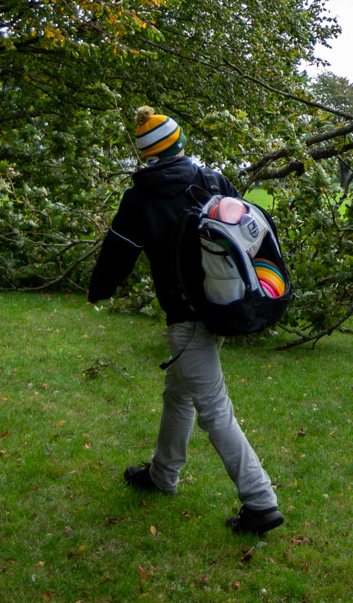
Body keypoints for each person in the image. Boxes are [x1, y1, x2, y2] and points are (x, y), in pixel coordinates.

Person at [86, 107, 285, 535]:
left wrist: (97, 289)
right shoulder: (213, 181)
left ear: (145, 155)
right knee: (178, 393)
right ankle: (162, 474)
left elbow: (118, 253)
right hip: (224, 303)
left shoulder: (141, 197)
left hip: (187, 317)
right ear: (179, 144)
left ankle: (260, 501)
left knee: (214, 409)